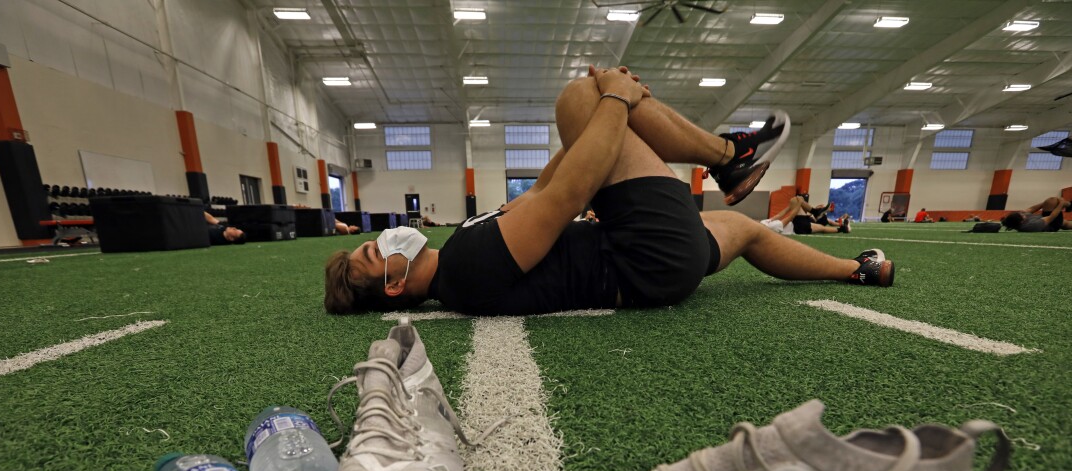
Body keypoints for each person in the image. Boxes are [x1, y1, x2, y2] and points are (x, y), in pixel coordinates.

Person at [323, 66, 893, 317]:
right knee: (578, 96)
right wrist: (612, 105)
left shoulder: (460, 250)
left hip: (658, 266)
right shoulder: (465, 269)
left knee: (743, 229)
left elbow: (540, 190)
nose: (383, 238)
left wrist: (603, 120)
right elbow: (566, 197)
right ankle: (729, 157)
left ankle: (856, 270)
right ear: (395, 286)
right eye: (375, 253)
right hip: (643, 257)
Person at [760, 194, 851, 236]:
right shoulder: (772, 227)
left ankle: (816, 212)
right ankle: (842, 229)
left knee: (793, 200)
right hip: (798, 228)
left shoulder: (763, 223)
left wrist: (790, 206)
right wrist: (799, 203)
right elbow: (790, 216)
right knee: (822, 228)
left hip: (798, 223)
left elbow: (779, 215)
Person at [1001, 196, 1072, 232]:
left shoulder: (1019, 217)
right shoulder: (1032, 226)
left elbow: (1031, 209)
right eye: (1023, 215)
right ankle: (1069, 205)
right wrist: (1061, 203)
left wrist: (1045, 203)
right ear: (1022, 221)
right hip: (1052, 224)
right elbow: (1051, 217)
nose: (1024, 214)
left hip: (1045, 218)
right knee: (1053, 201)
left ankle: (1069, 206)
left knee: (1050, 201)